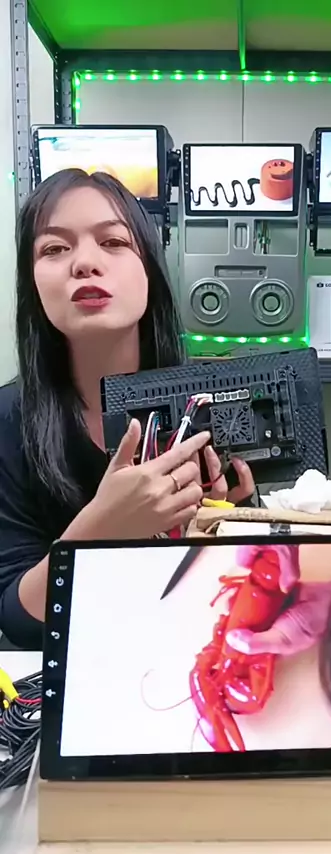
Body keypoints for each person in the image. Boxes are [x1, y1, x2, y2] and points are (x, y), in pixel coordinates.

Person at [0, 168, 254, 651]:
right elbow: (19, 619)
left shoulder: (212, 403)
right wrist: (102, 526)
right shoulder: (9, 419)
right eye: (54, 249)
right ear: (32, 283)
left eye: (113, 242)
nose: (84, 263)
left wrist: (222, 526)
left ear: (150, 270)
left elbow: (249, 589)